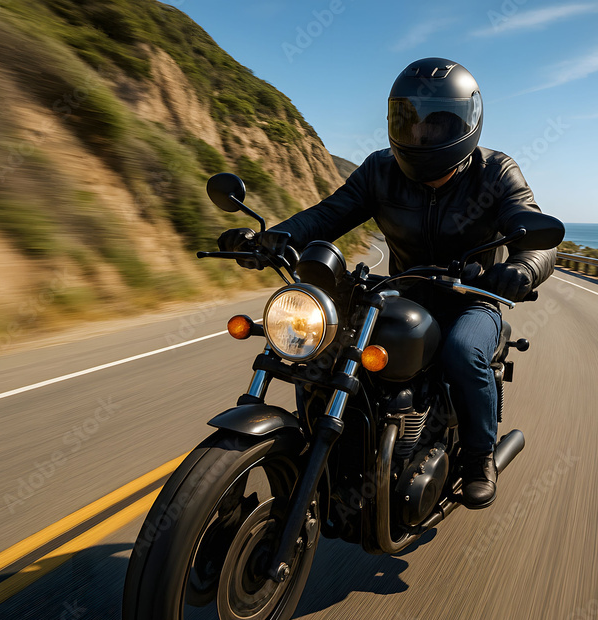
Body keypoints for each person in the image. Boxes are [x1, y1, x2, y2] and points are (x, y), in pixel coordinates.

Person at [218, 57, 559, 508]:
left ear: (464, 123)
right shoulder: (380, 170)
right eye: (410, 121)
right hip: (400, 291)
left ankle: (479, 457)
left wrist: (522, 268)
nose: (421, 135)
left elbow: (533, 229)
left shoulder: (495, 173)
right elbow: (328, 214)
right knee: (323, 341)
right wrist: (273, 239)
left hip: (473, 296)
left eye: (436, 124)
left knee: (462, 351)